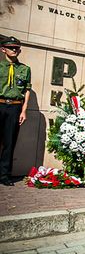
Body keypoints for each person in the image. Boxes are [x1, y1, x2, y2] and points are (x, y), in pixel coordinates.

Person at [0, 35, 31, 186]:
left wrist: (23, 111)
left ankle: (4, 175)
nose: (14, 50)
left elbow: (27, 90)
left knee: (9, 142)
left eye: (16, 48)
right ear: (3, 49)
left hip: (15, 107)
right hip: (0, 104)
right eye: (11, 48)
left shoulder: (25, 69)